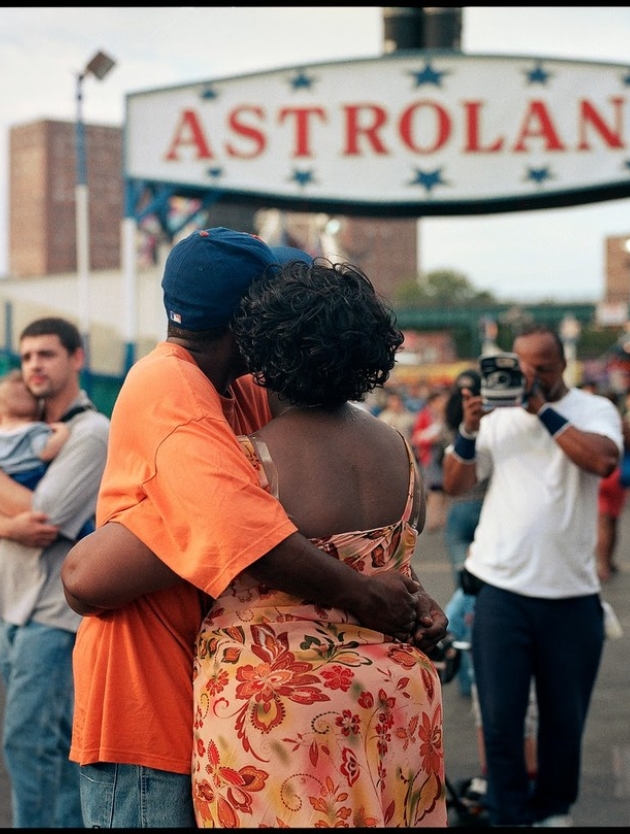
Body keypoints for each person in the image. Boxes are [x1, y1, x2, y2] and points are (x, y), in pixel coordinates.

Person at [60, 229, 447, 828]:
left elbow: (86, 575)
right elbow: (233, 528)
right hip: (150, 694)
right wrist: (376, 595)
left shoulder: (244, 420)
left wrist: (402, 595)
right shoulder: (173, 388)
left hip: (263, 718)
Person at [189, 258, 446, 826]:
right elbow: (398, 562)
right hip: (397, 694)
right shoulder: (399, 452)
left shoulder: (245, 461)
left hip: (277, 714)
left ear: (261, 354)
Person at [443, 323, 623, 827]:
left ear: (562, 364)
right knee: (500, 717)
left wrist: (541, 408)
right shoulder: (498, 418)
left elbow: (603, 461)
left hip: (571, 594)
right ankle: (507, 812)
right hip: (501, 589)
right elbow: (456, 484)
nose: (529, 377)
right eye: (521, 367)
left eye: (541, 368)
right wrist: (469, 430)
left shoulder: (593, 409)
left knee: (563, 719)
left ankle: (552, 810)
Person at [0, 316, 109, 828]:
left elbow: (44, 516)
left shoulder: (90, 432)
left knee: (29, 743)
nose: (34, 365)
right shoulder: (15, 426)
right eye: (26, 356)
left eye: (46, 354)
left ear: (76, 358)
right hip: (8, 602)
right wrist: (6, 519)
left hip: (53, 611)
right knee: (55, 742)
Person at [0, 369, 71, 590]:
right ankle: (86, 540)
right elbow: (45, 451)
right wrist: (63, 433)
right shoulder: (36, 431)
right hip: (30, 479)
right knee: (82, 525)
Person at [440, 368, 488, 697]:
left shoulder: (449, 425)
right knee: (479, 597)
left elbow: (446, 477)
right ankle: (475, 675)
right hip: (484, 509)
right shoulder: (489, 425)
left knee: (467, 593)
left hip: (459, 512)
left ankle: (469, 678)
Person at [596, 392, 630, 581]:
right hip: (618, 475)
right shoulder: (621, 422)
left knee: (603, 523)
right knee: (613, 521)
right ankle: (609, 561)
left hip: (599, 475)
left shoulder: (593, 420)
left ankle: (603, 565)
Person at [411, 388, 451, 531]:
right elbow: (416, 438)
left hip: (446, 457)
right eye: (440, 401)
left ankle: (443, 519)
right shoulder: (424, 416)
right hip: (431, 458)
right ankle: (433, 520)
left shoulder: (448, 415)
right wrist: (430, 439)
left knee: (445, 490)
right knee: (434, 490)